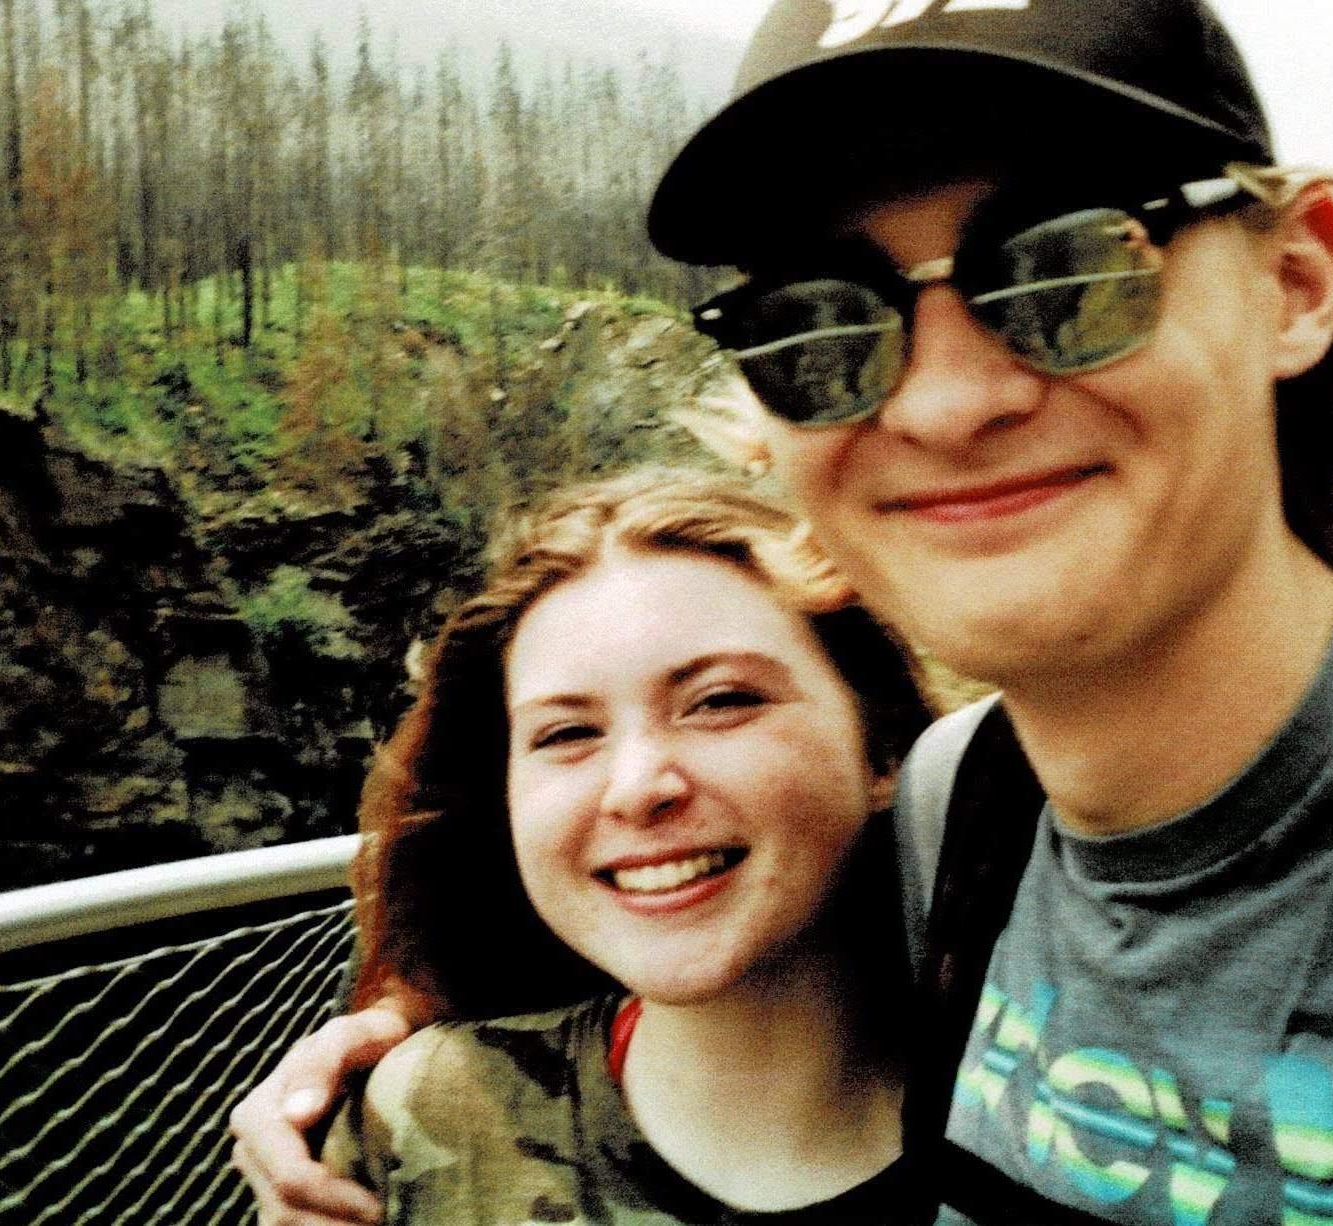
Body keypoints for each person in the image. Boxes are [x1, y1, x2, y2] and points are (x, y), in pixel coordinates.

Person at [231, 0, 1333, 1226]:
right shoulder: (962, 812)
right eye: (820, 326)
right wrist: (408, 1067)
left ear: (1295, 281)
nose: (943, 401)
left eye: (1065, 270)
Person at [296, 468, 934, 1222]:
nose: (635, 788)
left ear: (884, 748)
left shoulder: (1041, 1134)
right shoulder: (422, 1119)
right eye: (567, 733)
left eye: (720, 701)